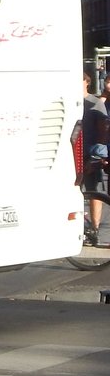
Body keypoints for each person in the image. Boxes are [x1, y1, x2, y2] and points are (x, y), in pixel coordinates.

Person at [78, 72, 107, 246]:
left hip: (90, 152)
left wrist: (96, 154)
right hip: (74, 154)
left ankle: (94, 229)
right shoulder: (69, 100)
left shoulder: (95, 103)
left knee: (93, 190)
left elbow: (103, 131)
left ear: (87, 82)